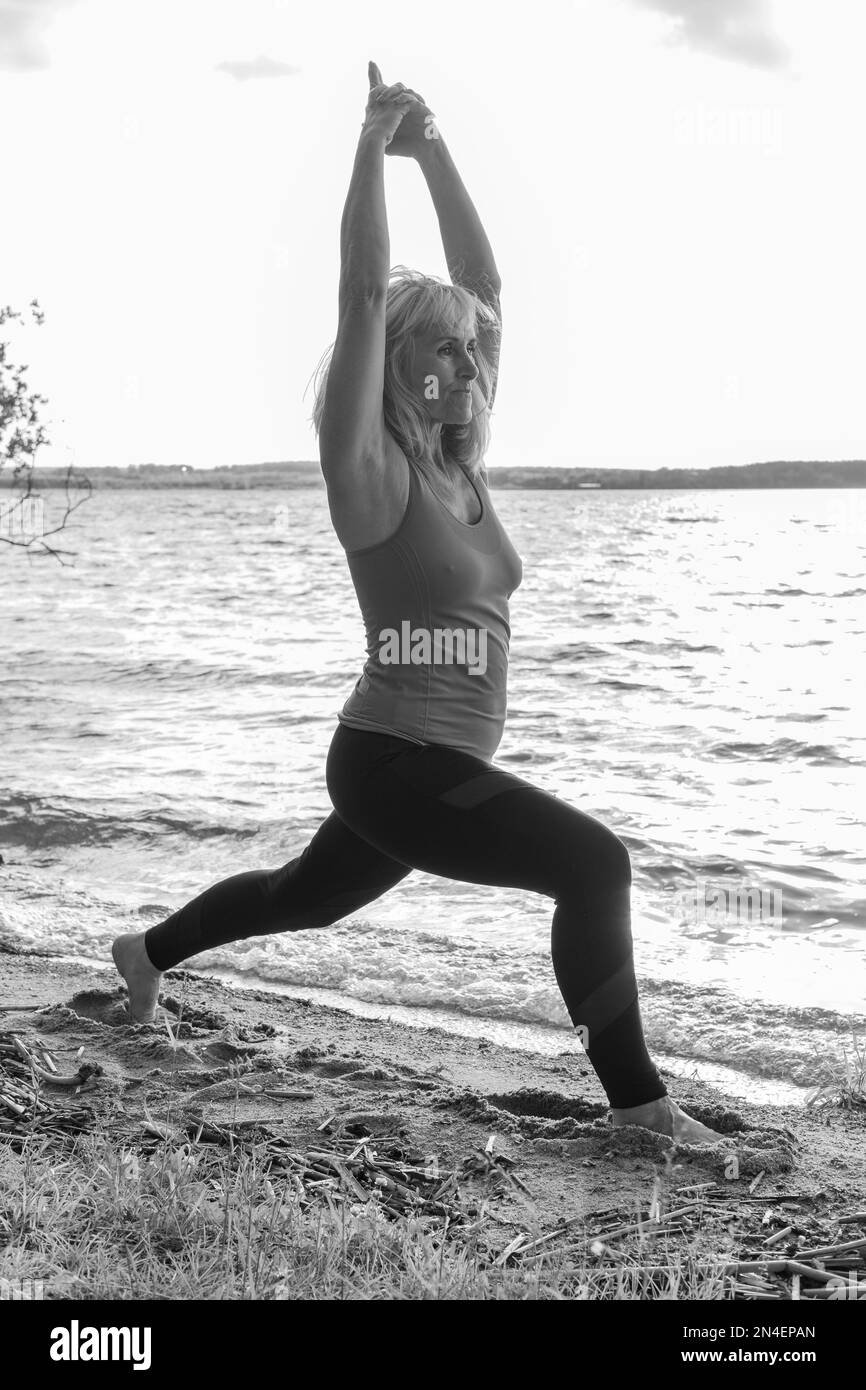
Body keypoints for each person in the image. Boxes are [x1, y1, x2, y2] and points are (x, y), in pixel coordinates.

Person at [113, 63, 720, 1144]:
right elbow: (355, 293)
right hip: (396, 760)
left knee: (301, 894)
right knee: (593, 864)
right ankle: (639, 1106)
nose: (467, 355)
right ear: (396, 365)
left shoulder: (459, 465)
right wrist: (366, 143)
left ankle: (145, 954)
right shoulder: (373, 475)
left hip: (431, 765)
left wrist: (432, 146)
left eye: (469, 346)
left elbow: (487, 281)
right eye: (443, 343)